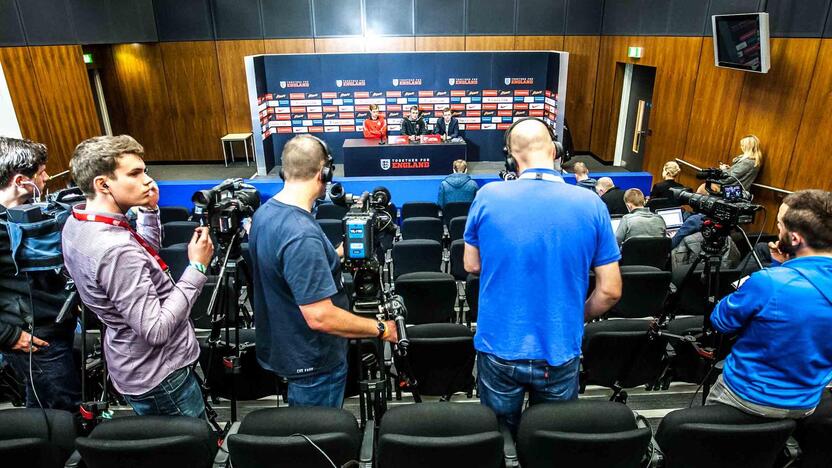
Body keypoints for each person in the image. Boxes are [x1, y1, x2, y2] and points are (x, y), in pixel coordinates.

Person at [463, 119, 622, 434]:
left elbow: (471, 265)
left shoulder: (488, 196)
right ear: (556, 150)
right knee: (551, 440)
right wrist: (575, 315)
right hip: (560, 349)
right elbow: (611, 291)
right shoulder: (592, 203)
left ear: (512, 158)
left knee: (499, 437)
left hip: (498, 347)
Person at [62, 135, 214, 418]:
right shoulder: (114, 249)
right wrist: (197, 268)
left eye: (144, 170)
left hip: (136, 364)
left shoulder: (77, 220)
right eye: (135, 173)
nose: (148, 180)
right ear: (103, 184)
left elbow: (143, 258)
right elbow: (155, 330)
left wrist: (149, 210)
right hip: (161, 374)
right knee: (191, 447)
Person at [249, 135, 398, 408]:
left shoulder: (265, 213)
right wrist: (380, 329)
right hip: (313, 363)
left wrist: (334, 253)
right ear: (324, 173)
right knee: (319, 440)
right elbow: (321, 317)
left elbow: (286, 268)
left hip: (287, 349)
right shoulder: (301, 235)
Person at [707, 190, 832, 419]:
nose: (778, 231)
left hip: (747, 397)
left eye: (780, 226)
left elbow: (721, 321)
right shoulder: (778, 279)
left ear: (794, 239)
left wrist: (775, 273)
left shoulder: (769, 282)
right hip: (807, 402)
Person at [0, 137, 80, 412]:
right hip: (34, 339)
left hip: (55, 325)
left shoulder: (27, 216)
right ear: (21, 180)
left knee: (41, 403)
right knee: (62, 410)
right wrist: (8, 335)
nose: (47, 177)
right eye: (42, 172)